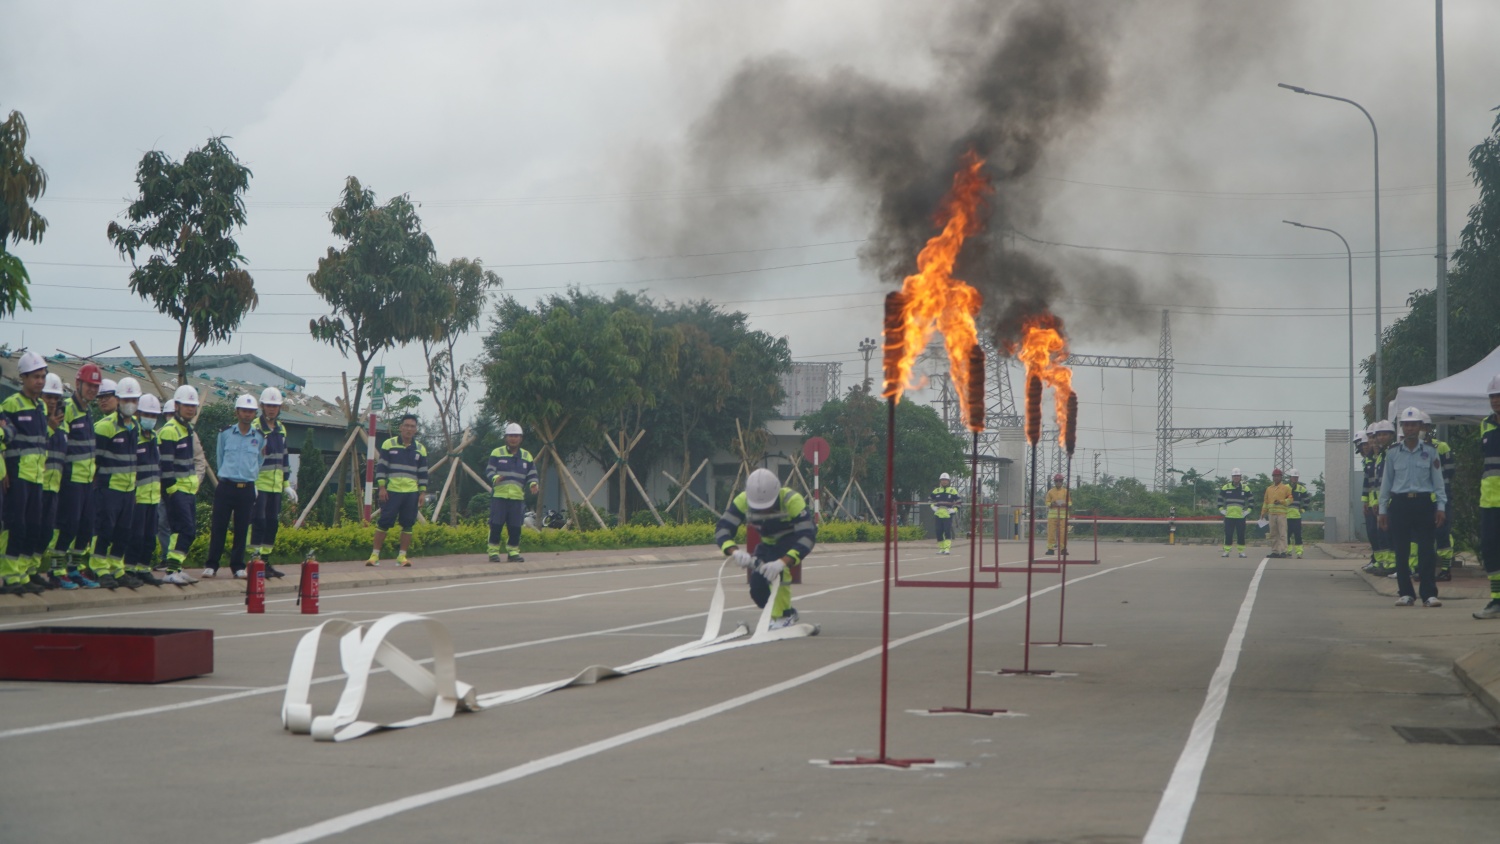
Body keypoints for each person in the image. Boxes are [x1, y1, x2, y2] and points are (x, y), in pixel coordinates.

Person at [715, 467, 817, 630]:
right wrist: (734, 551)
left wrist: (783, 562)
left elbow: (808, 536)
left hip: (791, 540)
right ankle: (785, 612)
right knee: (757, 587)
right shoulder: (742, 501)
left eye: (767, 506)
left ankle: (783, 616)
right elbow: (723, 529)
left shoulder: (792, 500)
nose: (762, 510)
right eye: (757, 507)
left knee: (777, 572)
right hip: (768, 543)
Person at [1377, 407, 1447, 608]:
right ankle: (1406, 593)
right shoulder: (1393, 453)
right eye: (1406, 425)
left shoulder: (1430, 451)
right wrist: (1382, 510)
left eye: (1413, 424)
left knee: (1427, 550)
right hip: (1400, 504)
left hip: (1423, 503)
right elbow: (1386, 483)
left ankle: (1429, 594)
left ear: (1420, 427)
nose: (1409, 428)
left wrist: (1441, 506)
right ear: (1401, 427)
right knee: (1401, 550)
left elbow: (1438, 482)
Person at [1, 351, 50, 595]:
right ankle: (10, 576)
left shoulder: (41, 406)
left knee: (33, 527)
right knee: (16, 527)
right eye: (35, 376)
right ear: (23, 377)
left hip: (37, 477)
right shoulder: (11, 404)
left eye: (42, 376)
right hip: (18, 476)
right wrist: (5, 472)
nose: (40, 381)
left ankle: (22, 573)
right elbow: (4, 442)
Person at [201, 394, 264, 578]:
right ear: (237, 412)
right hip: (226, 486)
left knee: (242, 528)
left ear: (255, 414)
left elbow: (259, 460)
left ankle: (237, 566)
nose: (247, 414)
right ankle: (212, 564)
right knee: (218, 526)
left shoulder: (260, 437)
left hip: (246, 488)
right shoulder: (225, 433)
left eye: (251, 411)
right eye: (244, 410)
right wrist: (226, 476)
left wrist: (249, 476)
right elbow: (220, 458)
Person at [53, 362, 101, 587]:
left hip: (87, 482)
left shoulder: (88, 411)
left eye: (96, 386)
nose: (92, 390)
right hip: (71, 479)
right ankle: (56, 570)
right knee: (68, 527)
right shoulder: (67, 408)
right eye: (89, 385)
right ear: (78, 383)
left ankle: (73, 569)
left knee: (86, 528)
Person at [92, 376, 142, 589]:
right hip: (109, 489)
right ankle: (98, 568)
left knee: (123, 532)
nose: (130, 404)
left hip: (128, 489)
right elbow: (95, 461)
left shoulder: (135, 426)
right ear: (119, 400)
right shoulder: (105, 427)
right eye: (126, 399)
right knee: (104, 530)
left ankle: (116, 568)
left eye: (134, 400)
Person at [369, 414, 428, 567]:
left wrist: (422, 492)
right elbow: (381, 467)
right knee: (384, 521)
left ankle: (402, 557)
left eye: (412, 426)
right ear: (401, 428)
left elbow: (423, 472)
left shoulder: (420, 449)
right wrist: (382, 487)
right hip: (391, 491)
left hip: (411, 492)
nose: (409, 429)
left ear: (416, 430)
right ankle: (374, 556)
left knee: (408, 524)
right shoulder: (389, 444)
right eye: (406, 425)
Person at [158, 388, 202, 584]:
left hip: (188, 490)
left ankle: (176, 568)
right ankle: (171, 570)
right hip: (176, 490)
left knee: (184, 531)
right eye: (187, 405)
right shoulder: (170, 430)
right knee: (184, 530)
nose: (191, 409)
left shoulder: (187, 429)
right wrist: (172, 490)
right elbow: (165, 465)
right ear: (177, 406)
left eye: (193, 406)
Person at [124, 394, 166, 586]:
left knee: (149, 537)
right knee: (136, 536)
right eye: (147, 414)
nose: (151, 418)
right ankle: (129, 569)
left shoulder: (154, 437)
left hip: (153, 497)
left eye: (154, 415)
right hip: (138, 496)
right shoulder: (134, 436)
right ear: (139, 414)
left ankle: (143, 569)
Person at [250, 387, 289, 577]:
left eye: (275, 406)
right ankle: (254, 560)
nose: (272, 409)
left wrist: (286, 484)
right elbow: (250, 457)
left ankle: (265, 561)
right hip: (259, 484)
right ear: (262, 406)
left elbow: (284, 457)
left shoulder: (281, 429)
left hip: (276, 485)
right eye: (268, 405)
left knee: (272, 523)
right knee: (259, 522)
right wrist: (251, 483)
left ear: (279, 408)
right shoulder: (255, 427)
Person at [38, 373, 73, 589]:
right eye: (48, 397)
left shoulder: (63, 425)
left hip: (56, 487)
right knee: (30, 531)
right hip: (36, 485)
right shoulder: (38, 421)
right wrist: (49, 427)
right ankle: (21, 573)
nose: (52, 402)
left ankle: (44, 570)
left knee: (48, 533)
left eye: (55, 398)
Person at [486, 422, 538, 563]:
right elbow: (489, 470)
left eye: (516, 436)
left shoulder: (527, 456)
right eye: (510, 436)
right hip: (499, 496)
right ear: (506, 438)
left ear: (520, 438)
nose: (513, 439)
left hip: (517, 497)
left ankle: (513, 552)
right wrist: (495, 477)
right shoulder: (497, 453)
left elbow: (532, 474)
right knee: (496, 525)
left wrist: (533, 484)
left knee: (515, 527)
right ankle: (493, 552)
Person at [1474, 375, 1500, 620]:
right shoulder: (1485, 424)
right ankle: (1497, 600)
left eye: (1499, 396)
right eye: (1492, 396)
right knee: (1490, 549)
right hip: (1489, 501)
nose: (1495, 400)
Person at [1420, 412, 1455, 580]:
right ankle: (1424, 569)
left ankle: (1446, 569)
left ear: (1428, 428)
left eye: (1422, 426)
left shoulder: (1441, 447)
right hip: (1423, 497)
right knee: (1424, 534)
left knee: (1442, 531)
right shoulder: (1413, 450)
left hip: (1441, 496)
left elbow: (1450, 472)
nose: (1419, 429)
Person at [1367, 420, 1398, 575]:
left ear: (1392, 435)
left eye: (1385, 434)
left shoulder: (1394, 452)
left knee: (1390, 534)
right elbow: (1377, 484)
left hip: (1392, 500)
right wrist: (1376, 502)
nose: (1381, 438)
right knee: (1382, 534)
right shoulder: (1380, 456)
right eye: (1379, 435)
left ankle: (1392, 564)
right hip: (1382, 502)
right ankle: (1386, 563)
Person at [1218, 468, 1252, 558]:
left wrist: (1248, 511)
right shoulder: (1226, 487)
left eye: (1237, 476)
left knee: (1241, 534)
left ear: (1240, 477)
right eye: (1234, 476)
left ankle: (1241, 551)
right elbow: (1220, 499)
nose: (1236, 477)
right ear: (1232, 477)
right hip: (1229, 516)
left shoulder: (1245, 488)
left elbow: (1251, 500)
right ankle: (1226, 551)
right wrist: (1221, 509)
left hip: (1240, 516)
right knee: (1228, 534)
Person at [1261, 468, 1292, 558]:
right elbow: (1266, 501)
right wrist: (1263, 512)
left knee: (1282, 533)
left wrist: (1281, 502)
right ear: (1273, 477)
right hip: (1271, 514)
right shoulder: (1269, 489)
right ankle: (1275, 551)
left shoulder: (1286, 488)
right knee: (1273, 534)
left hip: (1281, 514)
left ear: (1281, 477)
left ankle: (1283, 551)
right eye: (1275, 476)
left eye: (1278, 476)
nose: (1276, 478)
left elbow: (1290, 499)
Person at [930, 472, 960, 555]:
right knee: (938, 531)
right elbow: (930, 500)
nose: (944, 481)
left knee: (947, 531)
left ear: (948, 481)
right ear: (940, 481)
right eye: (942, 480)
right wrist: (933, 507)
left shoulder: (953, 491)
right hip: (938, 514)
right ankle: (941, 548)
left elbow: (959, 501)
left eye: (946, 480)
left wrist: (954, 510)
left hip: (948, 514)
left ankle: (947, 548)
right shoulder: (936, 491)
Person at [1285, 468, 1311, 559]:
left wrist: (1303, 509)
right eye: (1294, 477)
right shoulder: (1285, 488)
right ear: (1290, 478)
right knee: (1287, 535)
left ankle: (1299, 552)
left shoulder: (1301, 489)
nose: (1295, 479)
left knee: (1297, 535)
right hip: (1286, 516)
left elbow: (1307, 500)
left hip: (1296, 516)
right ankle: (1288, 551)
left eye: (1296, 477)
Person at [1044, 472, 1069, 556]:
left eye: (1060, 481)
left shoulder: (1066, 491)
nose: (1058, 482)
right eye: (1057, 481)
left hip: (1063, 516)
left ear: (1062, 482)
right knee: (1051, 532)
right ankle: (1050, 549)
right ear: (1054, 482)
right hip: (1052, 516)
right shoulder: (1050, 492)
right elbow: (1047, 502)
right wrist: (1051, 504)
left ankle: (1063, 549)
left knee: (1063, 533)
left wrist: (1065, 504)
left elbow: (1069, 502)